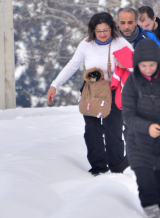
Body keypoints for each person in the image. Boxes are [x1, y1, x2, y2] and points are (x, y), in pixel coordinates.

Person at [47, 12, 133, 175]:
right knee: (92, 131)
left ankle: (116, 166)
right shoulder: (86, 45)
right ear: (92, 31)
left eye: (105, 30)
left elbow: (137, 66)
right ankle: (98, 167)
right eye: (98, 31)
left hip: (114, 92)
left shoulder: (120, 43)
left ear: (112, 28)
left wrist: (126, 65)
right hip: (92, 92)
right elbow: (72, 66)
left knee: (113, 131)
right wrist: (55, 85)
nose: (102, 34)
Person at [122, 38, 160, 218]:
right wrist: (147, 128)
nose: (147, 69)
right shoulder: (131, 83)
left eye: (151, 65)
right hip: (138, 142)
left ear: (158, 63)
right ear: (137, 64)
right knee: (146, 184)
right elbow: (128, 116)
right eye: (143, 65)